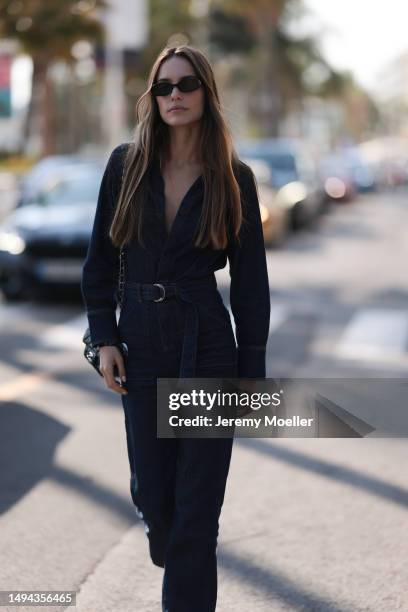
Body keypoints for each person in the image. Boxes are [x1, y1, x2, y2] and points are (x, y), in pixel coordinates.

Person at [81, 44, 270, 612]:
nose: (175, 96)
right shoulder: (125, 164)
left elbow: (251, 282)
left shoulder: (234, 178)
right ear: (153, 97)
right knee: (155, 500)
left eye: (186, 85)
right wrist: (104, 335)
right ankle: (174, 547)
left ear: (206, 95)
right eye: (164, 87)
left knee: (196, 511)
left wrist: (250, 372)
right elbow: (98, 260)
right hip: (141, 343)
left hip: (206, 344)